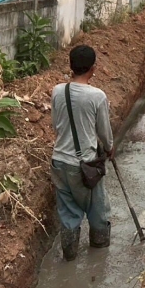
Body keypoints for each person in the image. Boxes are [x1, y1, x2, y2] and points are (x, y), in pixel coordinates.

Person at [50, 45, 114, 260]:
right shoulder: (97, 96)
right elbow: (104, 131)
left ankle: (69, 256)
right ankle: (99, 252)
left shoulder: (58, 91)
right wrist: (109, 148)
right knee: (97, 208)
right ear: (93, 68)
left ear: (71, 66)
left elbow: (56, 125)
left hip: (59, 161)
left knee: (68, 212)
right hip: (85, 165)